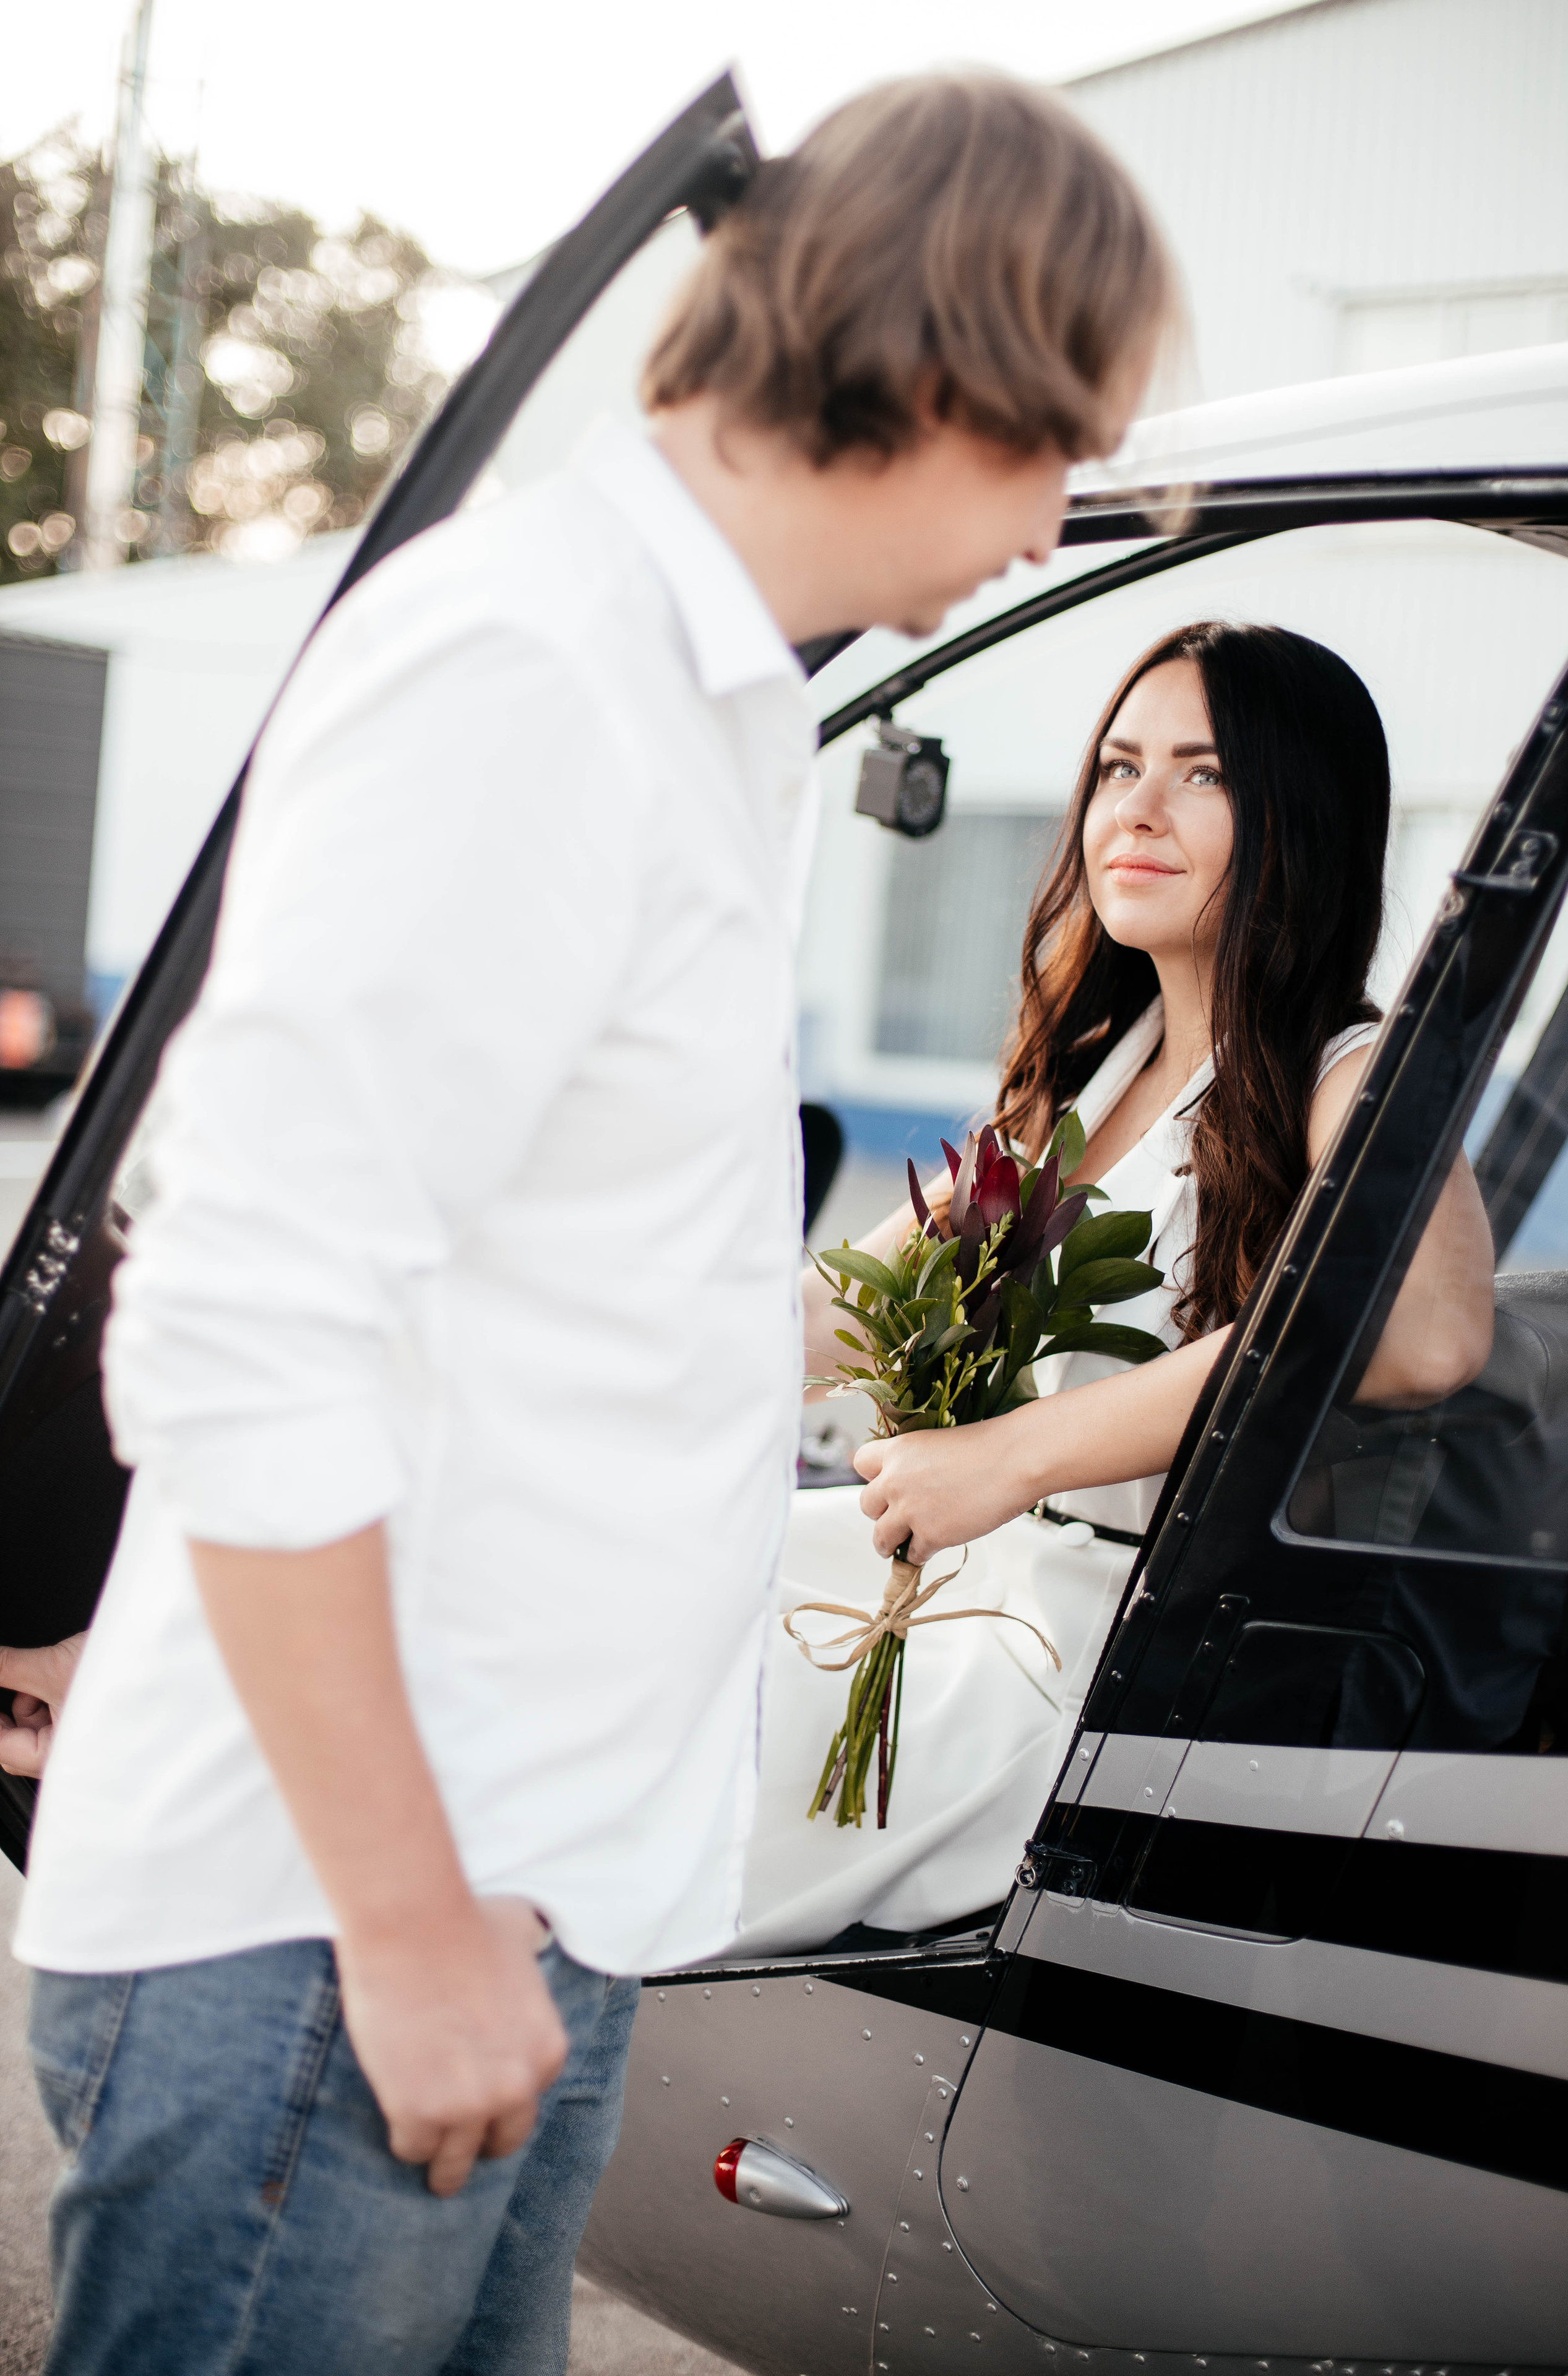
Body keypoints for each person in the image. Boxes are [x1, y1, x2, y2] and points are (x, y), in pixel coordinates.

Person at [3, 76, 1174, 2376]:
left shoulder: (702, 706)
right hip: (333, 1949)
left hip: (505, 1906)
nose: (1051, 525)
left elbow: (577, 1308)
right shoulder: (531, 671)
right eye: (1060, 443)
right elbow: (248, 1330)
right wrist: (409, 1918)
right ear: (943, 367)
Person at [739, 619, 1493, 1956]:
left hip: (1093, 1660)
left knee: (675, 1747)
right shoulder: (1086, 1075)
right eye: (1116, 767)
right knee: (655, 1603)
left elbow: (1420, 1332)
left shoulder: (1347, 1071)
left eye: (1202, 776)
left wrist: (1009, 1456)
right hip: (952, 1584)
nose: (1133, 813)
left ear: (1300, 817)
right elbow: (845, 1310)